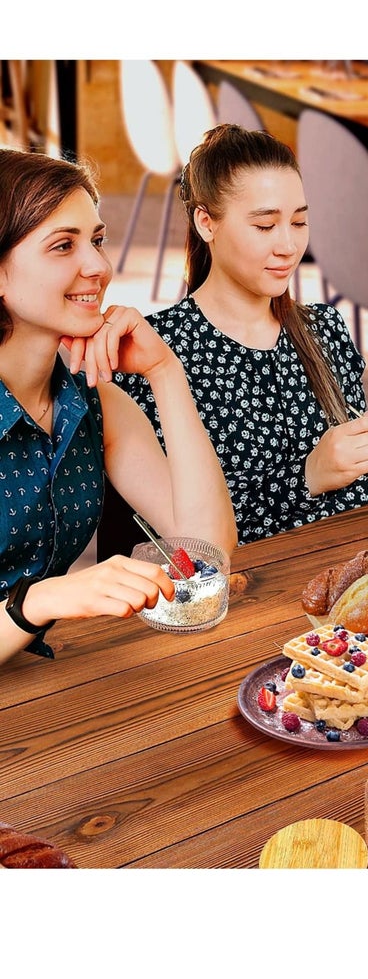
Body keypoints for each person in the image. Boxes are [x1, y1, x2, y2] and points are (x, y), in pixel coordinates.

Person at [0, 148, 237, 666]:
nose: (99, 267)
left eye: (98, 240)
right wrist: (37, 602)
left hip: (36, 681)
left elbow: (207, 551)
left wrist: (164, 373)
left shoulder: (91, 402)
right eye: (63, 246)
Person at [114, 124, 368, 544]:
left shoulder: (323, 329)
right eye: (265, 226)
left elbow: (367, 489)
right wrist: (308, 477)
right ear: (206, 222)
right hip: (255, 595)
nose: (288, 246)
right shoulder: (152, 352)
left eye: (299, 223)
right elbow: (187, 541)